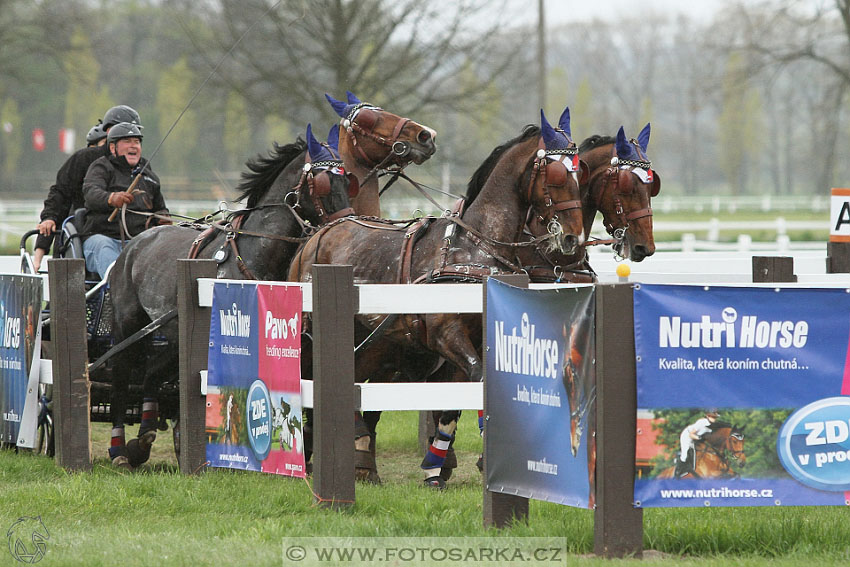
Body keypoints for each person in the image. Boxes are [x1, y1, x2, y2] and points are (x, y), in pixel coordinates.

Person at [32, 104, 141, 271]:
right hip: (92, 227)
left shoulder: (141, 166)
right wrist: (49, 219)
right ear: (110, 131)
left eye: (136, 137)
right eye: (126, 137)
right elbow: (61, 193)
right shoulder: (85, 159)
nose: (132, 143)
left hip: (132, 231)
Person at [80, 121, 170, 280]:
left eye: (136, 142)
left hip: (139, 241)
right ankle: (114, 291)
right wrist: (111, 198)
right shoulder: (101, 167)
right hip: (103, 237)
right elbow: (91, 192)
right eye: (127, 142)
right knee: (104, 246)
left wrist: (163, 218)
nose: (133, 146)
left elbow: (160, 208)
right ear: (113, 148)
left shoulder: (149, 176)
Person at [674, 409, 719, 478]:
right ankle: (677, 473)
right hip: (687, 435)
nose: (714, 419)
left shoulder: (712, 426)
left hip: (695, 438)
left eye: (715, 417)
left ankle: (692, 469)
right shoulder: (701, 422)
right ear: (707, 416)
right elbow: (691, 434)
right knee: (685, 455)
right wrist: (699, 438)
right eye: (712, 417)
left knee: (695, 453)